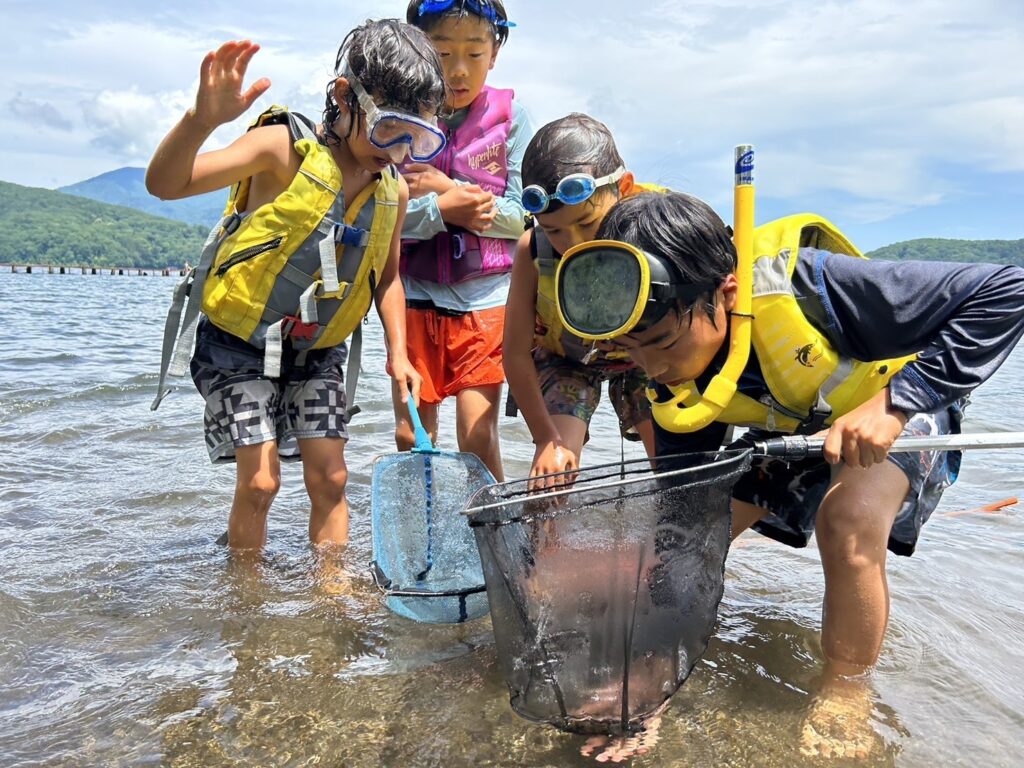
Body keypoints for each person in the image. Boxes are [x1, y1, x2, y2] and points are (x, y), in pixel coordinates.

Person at [553, 190, 1024, 757]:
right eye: (633, 350)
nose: (653, 368)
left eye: (662, 342)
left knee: (847, 520)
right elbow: (682, 538)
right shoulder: (675, 388)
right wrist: (652, 682)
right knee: (694, 531)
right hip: (795, 420)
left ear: (725, 295)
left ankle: (848, 687)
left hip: (896, 400)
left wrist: (897, 402)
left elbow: (1007, 291)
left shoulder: (817, 287)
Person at [146, 22, 448, 551]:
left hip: (317, 351)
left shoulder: (392, 193)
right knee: (261, 483)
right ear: (343, 96)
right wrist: (201, 122)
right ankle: (246, 597)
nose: (399, 152)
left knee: (331, 479)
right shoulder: (282, 150)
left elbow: (389, 277)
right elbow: (165, 185)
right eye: (388, 131)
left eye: (416, 139)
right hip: (237, 345)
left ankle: (330, 595)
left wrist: (399, 354)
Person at [390, 0, 533, 481]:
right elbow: (379, 217)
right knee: (412, 433)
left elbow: (524, 217)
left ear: (494, 55)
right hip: (413, 294)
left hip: (487, 299)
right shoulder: (397, 121)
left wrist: (449, 193)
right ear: (418, 49)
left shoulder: (513, 121)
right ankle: (421, 539)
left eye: (474, 54)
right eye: (442, 51)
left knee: (475, 434)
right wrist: (439, 212)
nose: (457, 70)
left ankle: (496, 539)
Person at [503, 114, 662, 489]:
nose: (573, 242)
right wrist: (546, 439)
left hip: (645, 360)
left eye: (587, 223)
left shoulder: (658, 230)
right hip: (568, 360)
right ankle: (542, 544)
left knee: (673, 461)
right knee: (553, 470)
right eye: (554, 229)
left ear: (623, 188)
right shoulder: (534, 250)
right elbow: (514, 353)